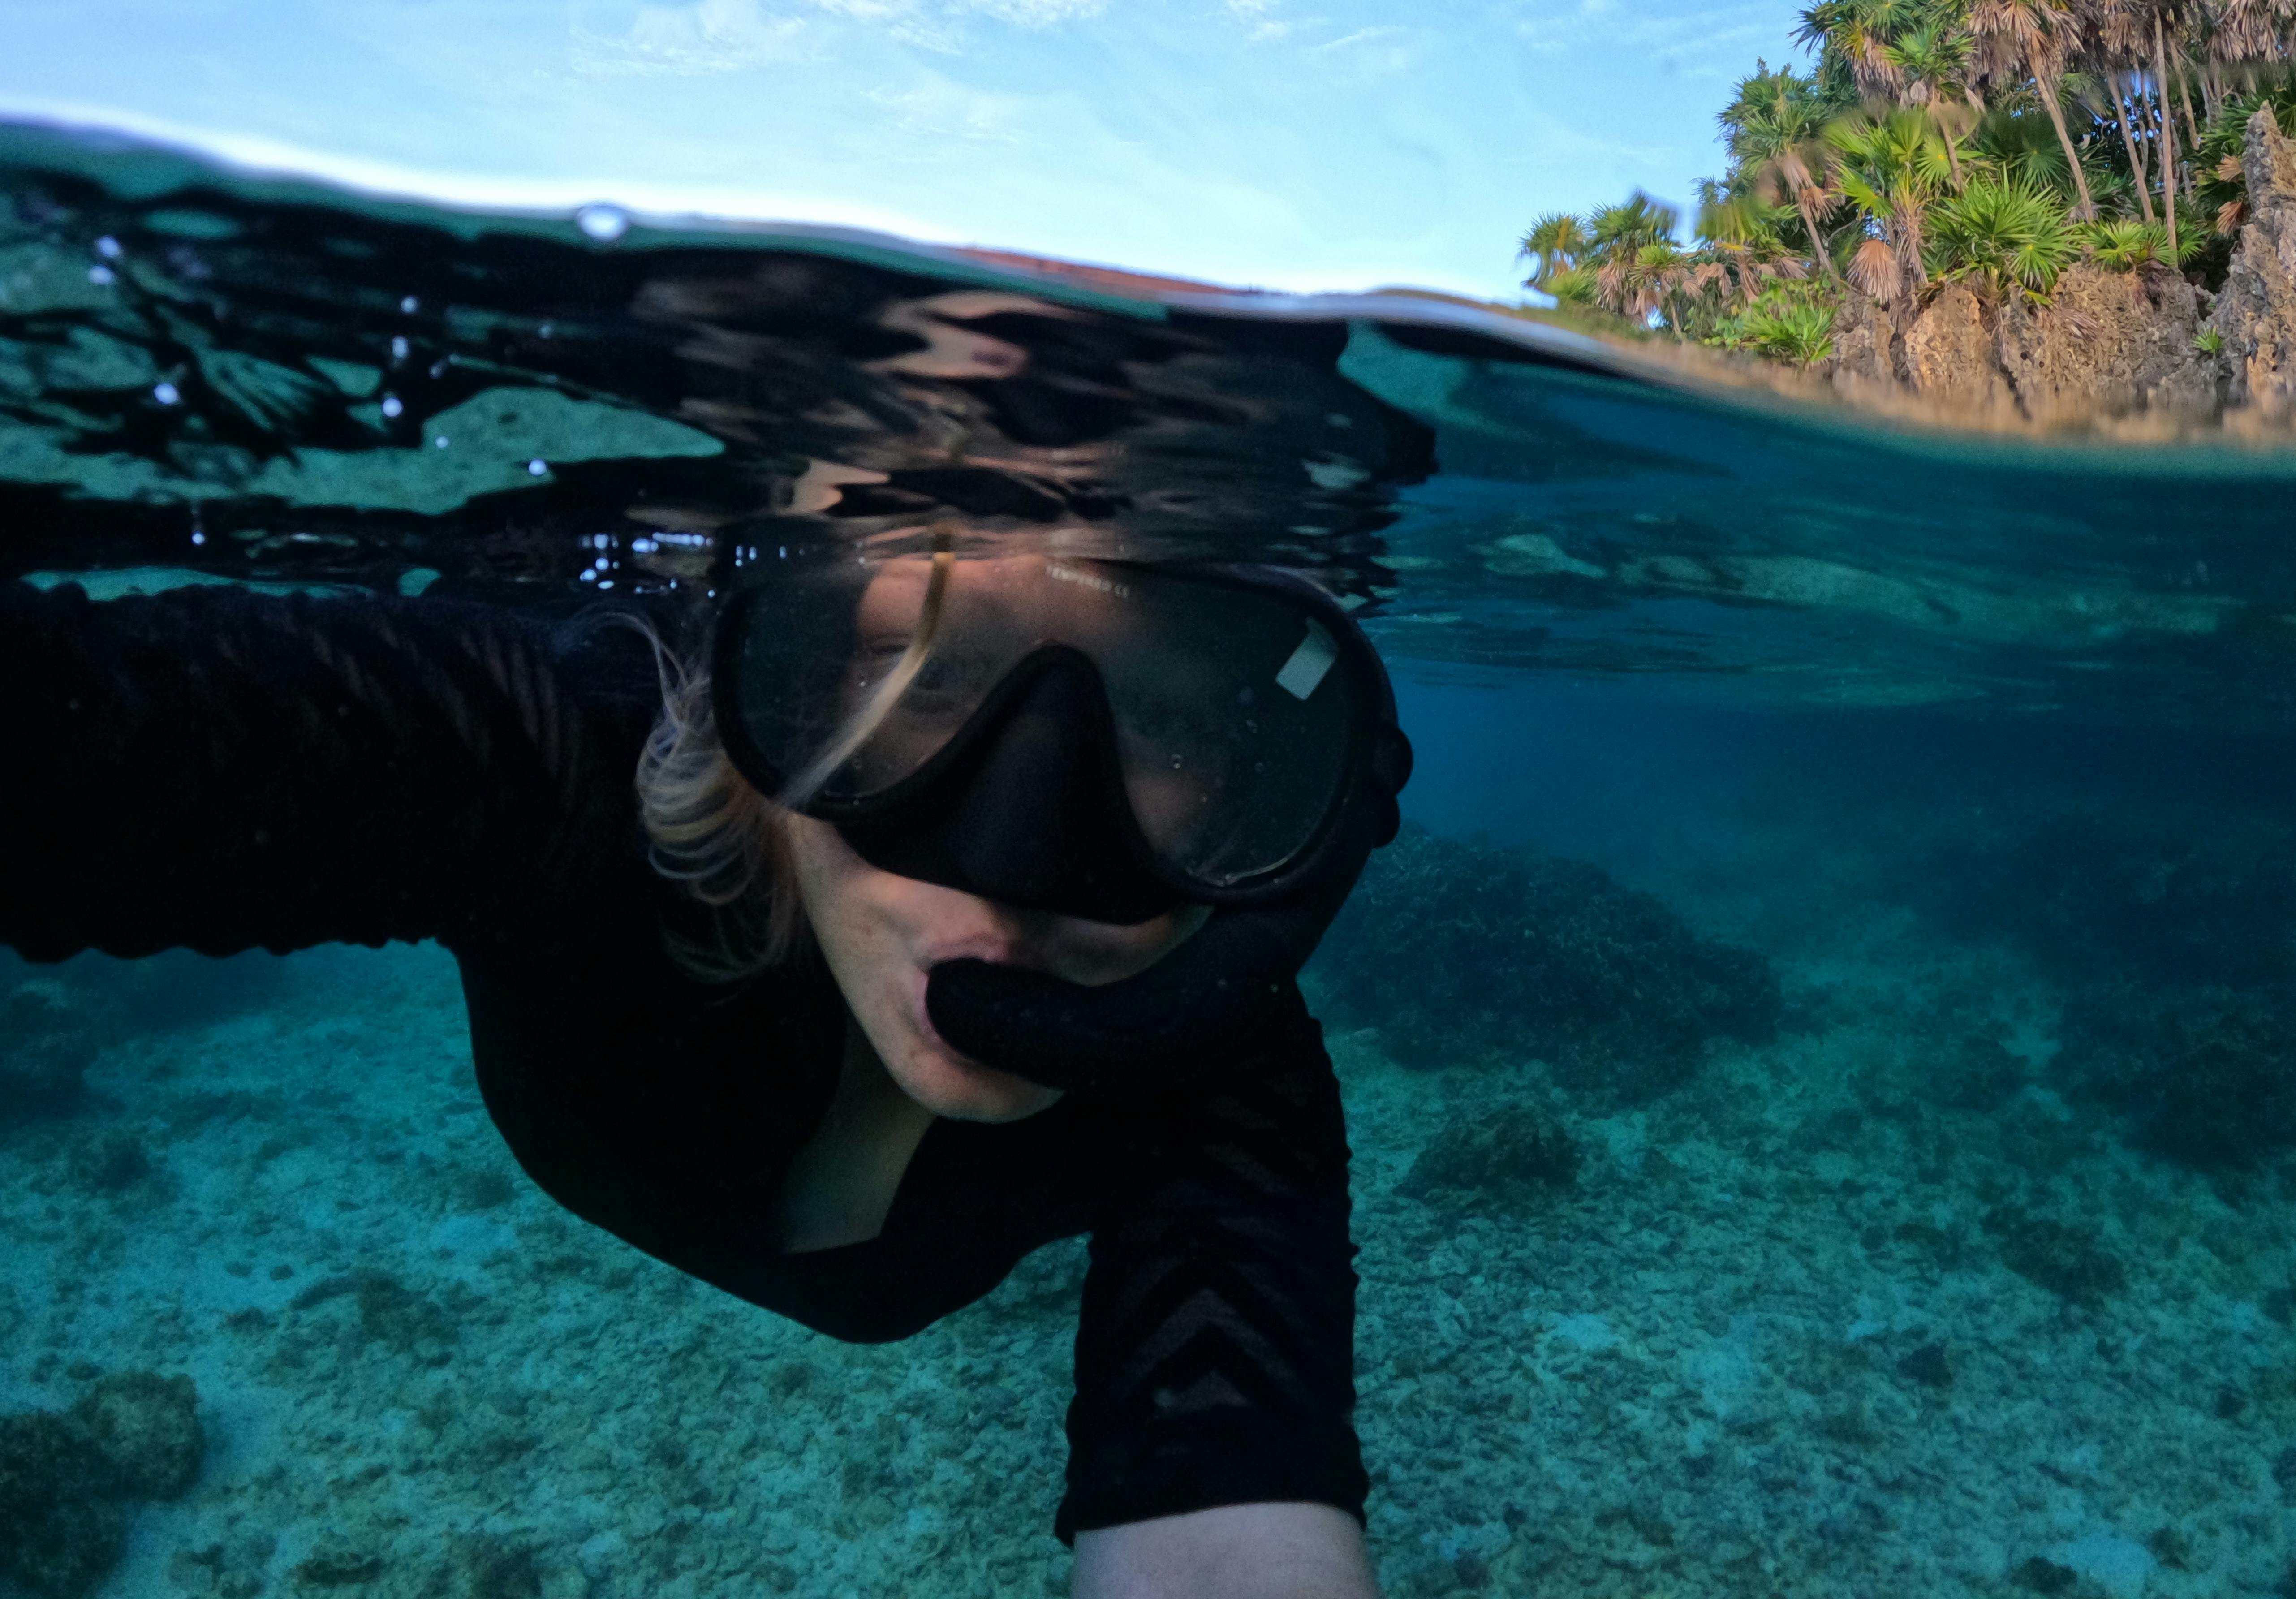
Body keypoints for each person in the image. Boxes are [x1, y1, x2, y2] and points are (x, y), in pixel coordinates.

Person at [0, 524, 1413, 1599]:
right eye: (924, 670)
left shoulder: (1217, 1064)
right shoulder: (567, 760)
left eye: (1163, 721)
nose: (1017, 867)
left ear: (1277, 786)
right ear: (782, 662)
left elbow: (1228, 1486)